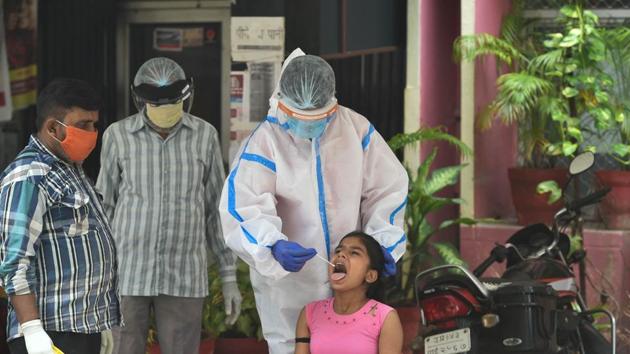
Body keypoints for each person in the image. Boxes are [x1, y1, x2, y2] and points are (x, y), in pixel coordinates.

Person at [219, 49, 408, 354]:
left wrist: (382, 243)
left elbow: (388, 189)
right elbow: (242, 204)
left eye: (318, 118)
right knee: (289, 346)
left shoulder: (355, 130)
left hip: (350, 288)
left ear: (332, 105)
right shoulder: (266, 140)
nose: (309, 126)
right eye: (299, 117)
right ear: (283, 104)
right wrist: (271, 245)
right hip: (290, 283)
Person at [96, 57, 241, 354]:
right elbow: (104, 207)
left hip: (184, 273)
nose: (165, 109)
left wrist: (228, 276)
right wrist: (96, 275)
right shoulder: (117, 136)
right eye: (156, 103)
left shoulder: (205, 136)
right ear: (140, 99)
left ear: (186, 96)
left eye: (172, 101)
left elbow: (216, 209)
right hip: (126, 272)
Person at [0, 78, 120, 354]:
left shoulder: (70, 170)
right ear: (53, 127)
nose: (92, 133)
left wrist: (98, 325)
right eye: (83, 125)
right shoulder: (29, 176)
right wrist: (32, 332)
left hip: (81, 328)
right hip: (51, 334)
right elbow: (14, 261)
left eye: (94, 125)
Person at [295, 231, 403, 354]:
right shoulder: (309, 313)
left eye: (354, 253)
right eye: (338, 251)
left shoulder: (386, 317)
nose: (341, 255)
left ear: (371, 275)